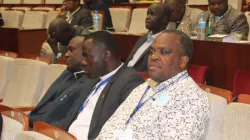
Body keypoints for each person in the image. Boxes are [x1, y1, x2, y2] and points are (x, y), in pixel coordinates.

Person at [98, 30, 210, 139]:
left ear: (182, 61)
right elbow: (113, 122)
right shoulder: (145, 86)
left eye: (164, 52)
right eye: (151, 52)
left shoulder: (191, 98)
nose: (153, 57)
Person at [55, 31, 145, 140]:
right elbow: (71, 116)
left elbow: (127, 129)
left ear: (106, 55)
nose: (82, 62)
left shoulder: (130, 82)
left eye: (86, 56)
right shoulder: (93, 77)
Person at [29, 36, 88, 128]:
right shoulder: (67, 72)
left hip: (48, 130)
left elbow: (65, 120)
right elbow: (45, 102)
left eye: (71, 50)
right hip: (33, 121)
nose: (66, 54)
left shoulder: (88, 83)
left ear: (86, 54)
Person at [126, 3, 171, 72]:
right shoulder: (143, 37)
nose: (147, 17)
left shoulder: (166, 42)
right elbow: (129, 62)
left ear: (164, 19)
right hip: (124, 74)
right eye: (148, 14)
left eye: (152, 14)